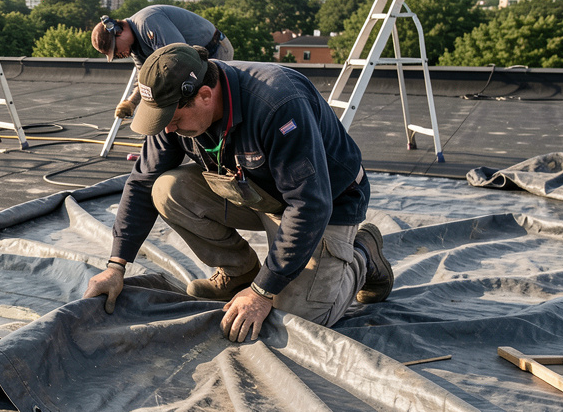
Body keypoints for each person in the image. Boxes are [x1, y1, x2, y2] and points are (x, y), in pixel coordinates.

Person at [83, 43, 393, 343]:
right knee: (167, 189)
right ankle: (239, 272)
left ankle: (364, 255)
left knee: (301, 315)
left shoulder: (278, 103)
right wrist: (116, 266)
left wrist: (263, 291)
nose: (168, 131)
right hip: (256, 189)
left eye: (174, 120)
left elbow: (309, 203)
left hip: (327, 201)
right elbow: (143, 182)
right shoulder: (174, 109)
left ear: (205, 95)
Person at [91, 4, 234, 120]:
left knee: (210, 102)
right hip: (194, 57)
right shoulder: (135, 47)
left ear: (118, 32)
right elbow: (145, 77)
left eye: (115, 50)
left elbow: (178, 59)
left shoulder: (148, 22)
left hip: (215, 50)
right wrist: (131, 102)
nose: (118, 55)